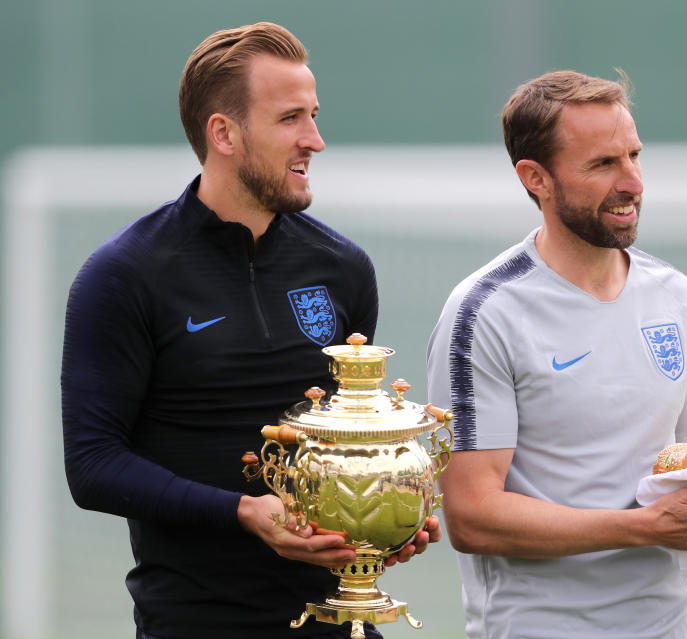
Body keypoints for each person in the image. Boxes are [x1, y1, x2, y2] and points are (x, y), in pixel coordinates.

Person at [61, 23, 439, 639]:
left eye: (314, 115)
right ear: (224, 133)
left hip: (337, 618)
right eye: (291, 118)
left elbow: (341, 448)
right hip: (195, 623)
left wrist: (385, 520)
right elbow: (93, 464)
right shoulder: (126, 274)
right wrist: (242, 513)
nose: (314, 139)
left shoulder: (342, 269)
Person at [426, 70, 687, 638]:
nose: (632, 182)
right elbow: (472, 517)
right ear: (535, 178)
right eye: (603, 164)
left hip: (674, 626)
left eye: (634, 155)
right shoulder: (486, 310)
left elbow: (677, 466)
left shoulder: (676, 294)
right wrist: (647, 527)